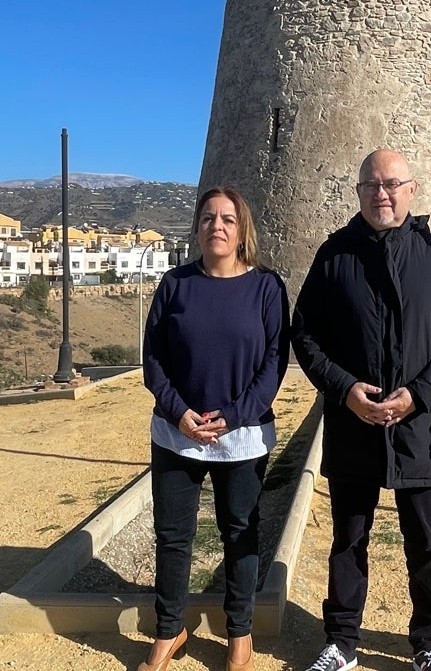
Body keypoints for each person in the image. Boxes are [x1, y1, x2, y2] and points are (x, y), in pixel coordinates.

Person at [292, 149, 431, 671]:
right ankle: (342, 641)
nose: (382, 194)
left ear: (412, 189)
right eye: (372, 185)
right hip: (354, 424)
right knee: (348, 538)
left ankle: (429, 643)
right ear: (358, 192)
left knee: (425, 539)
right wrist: (345, 389)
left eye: (392, 184)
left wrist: (420, 394)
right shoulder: (333, 256)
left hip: (420, 426)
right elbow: (305, 334)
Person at [139, 186, 290, 671]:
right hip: (176, 432)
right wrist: (178, 411)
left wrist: (239, 413)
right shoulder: (174, 284)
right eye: (208, 218)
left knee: (240, 532)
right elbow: (154, 359)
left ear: (242, 228)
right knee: (173, 535)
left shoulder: (267, 287)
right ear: (197, 227)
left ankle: (239, 632)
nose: (217, 227)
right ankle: (169, 630)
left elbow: (273, 362)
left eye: (227, 219)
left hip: (241, 435)